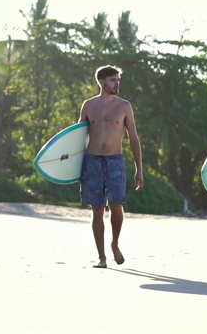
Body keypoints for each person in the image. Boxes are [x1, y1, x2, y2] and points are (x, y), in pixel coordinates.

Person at [79, 65, 144, 268]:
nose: (117, 83)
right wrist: (73, 169)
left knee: (117, 206)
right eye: (113, 80)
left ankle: (114, 243)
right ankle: (102, 258)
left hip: (115, 160)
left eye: (118, 80)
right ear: (101, 81)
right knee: (97, 210)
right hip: (92, 161)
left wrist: (138, 169)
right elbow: (77, 137)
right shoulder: (89, 106)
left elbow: (133, 138)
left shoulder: (124, 106)